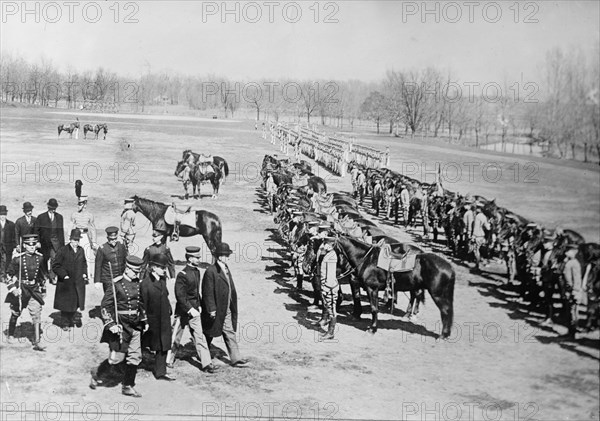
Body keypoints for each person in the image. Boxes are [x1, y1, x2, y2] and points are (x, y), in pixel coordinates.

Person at [92, 255, 147, 397]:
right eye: (134, 271)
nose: (136, 274)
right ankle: (97, 373)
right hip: (121, 325)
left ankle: (127, 385)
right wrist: (110, 324)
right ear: (127, 269)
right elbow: (105, 306)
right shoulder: (116, 284)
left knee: (135, 356)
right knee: (116, 358)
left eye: (138, 272)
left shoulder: (138, 283)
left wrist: (144, 320)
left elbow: (140, 304)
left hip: (135, 325)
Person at [169, 246, 217, 373]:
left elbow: (196, 292)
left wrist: (199, 305)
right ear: (190, 259)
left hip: (195, 310)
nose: (198, 259)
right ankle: (168, 360)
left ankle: (207, 364)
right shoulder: (182, 275)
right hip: (183, 312)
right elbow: (180, 295)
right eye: (196, 258)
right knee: (175, 337)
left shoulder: (197, 272)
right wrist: (190, 309)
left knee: (199, 337)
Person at [201, 242, 249, 367]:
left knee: (229, 331)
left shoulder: (225, 268)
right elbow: (207, 292)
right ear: (219, 256)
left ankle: (236, 358)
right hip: (216, 309)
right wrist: (211, 309)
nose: (227, 257)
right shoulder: (211, 271)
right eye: (225, 255)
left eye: (227, 255)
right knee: (209, 334)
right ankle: (203, 356)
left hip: (226, 307)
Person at [4, 234, 47, 351]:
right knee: (16, 312)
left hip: (34, 289)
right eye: (29, 244)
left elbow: (43, 275)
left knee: (37, 313)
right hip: (21, 289)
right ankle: (11, 334)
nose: (32, 247)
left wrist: (43, 288)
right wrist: (13, 289)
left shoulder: (40, 258)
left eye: (34, 244)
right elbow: (7, 275)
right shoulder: (18, 259)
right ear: (24, 245)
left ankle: (37, 341)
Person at [140, 253, 175, 381]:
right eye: (161, 267)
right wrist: (146, 321)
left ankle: (160, 372)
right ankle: (129, 361)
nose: (164, 270)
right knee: (144, 342)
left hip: (164, 317)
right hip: (153, 320)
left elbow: (165, 295)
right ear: (153, 267)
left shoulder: (162, 280)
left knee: (164, 343)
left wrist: (169, 310)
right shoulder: (146, 284)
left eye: (165, 267)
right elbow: (143, 304)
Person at [52, 229, 88, 330]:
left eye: (78, 240)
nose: (76, 242)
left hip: (78, 281)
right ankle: (65, 323)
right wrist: (64, 275)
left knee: (76, 302)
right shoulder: (62, 250)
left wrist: (84, 273)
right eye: (74, 240)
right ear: (70, 240)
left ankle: (72, 318)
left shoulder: (81, 250)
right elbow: (55, 265)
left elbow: (84, 263)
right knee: (66, 303)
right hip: (66, 282)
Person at [35, 198, 65, 283]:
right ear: (48, 207)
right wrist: (37, 241)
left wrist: (62, 245)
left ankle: (52, 276)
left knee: (54, 259)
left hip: (55, 242)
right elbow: (36, 230)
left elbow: (61, 232)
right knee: (44, 259)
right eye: (51, 208)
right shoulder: (41, 217)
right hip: (44, 243)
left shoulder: (59, 217)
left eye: (54, 208)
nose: (53, 210)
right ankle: (44, 275)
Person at [315, 235, 338, 340]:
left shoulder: (332, 256)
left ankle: (330, 332)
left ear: (332, 245)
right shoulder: (328, 254)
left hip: (331, 287)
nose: (324, 245)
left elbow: (331, 276)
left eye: (326, 243)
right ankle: (329, 331)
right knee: (329, 308)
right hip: (327, 286)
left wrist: (326, 289)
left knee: (332, 310)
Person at [70, 196, 97, 279]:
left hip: (85, 236)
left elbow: (92, 228)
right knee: (75, 254)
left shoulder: (89, 215)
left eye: (81, 204)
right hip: (76, 236)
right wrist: (70, 238)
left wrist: (94, 241)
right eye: (78, 204)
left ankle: (87, 274)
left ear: (85, 205)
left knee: (86, 255)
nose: (79, 206)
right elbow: (71, 226)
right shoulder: (74, 214)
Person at [95, 226, 128, 293]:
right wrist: (97, 281)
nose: (113, 241)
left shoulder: (121, 246)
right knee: (109, 299)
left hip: (120, 277)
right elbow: (98, 265)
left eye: (115, 239)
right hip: (108, 279)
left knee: (121, 298)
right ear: (107, 238)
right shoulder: (102, 249)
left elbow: (125, 260)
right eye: (111, 239)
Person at [563, 243, 583, 337]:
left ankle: (574, 332)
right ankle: (570, 331)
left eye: (568, 251)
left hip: (573, 291)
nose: (566, 252)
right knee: (569, 311)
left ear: (575, 252)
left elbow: (577, 279)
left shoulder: (574, 263)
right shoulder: (569, 261)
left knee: (574, 312)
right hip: (568, 290)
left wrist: (575, 291)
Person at [471, 203, 490, 272]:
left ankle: (477, 266)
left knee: (476, 251)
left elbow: (476, 227)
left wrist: (473, 236)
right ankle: (483, 262)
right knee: (481, 250)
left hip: (477, 235)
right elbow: (487, 228)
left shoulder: (477, 216)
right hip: (482, 235)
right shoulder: (484, 217)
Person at [0, 205, 16, 280]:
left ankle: (4, 276)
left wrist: (14, 246)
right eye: (1, 214)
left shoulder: (11, 224)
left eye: (4, 214)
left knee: (6, 261)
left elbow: (14, 236)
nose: (2, 216)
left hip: (7, 246)